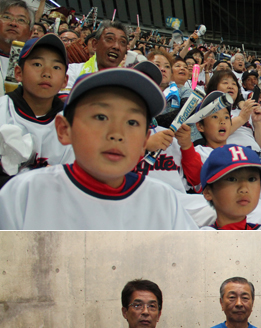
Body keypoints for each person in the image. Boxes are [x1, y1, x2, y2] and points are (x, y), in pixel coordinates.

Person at [0, 67, 197, 229]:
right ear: (64, 129)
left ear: (145, 140)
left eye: (132, 122)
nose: (116, 133)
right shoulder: (24, 193)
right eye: (101, 117)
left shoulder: (163, 201)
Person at [0, 34, 72, 187]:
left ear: (65, 80)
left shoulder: (71, 125)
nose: (47, 73)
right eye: (38, 64)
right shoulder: (2, 110)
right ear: (18, 72)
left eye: (56, 67)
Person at [64, 20, 128, 91]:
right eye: (110, 39)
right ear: (95, 44)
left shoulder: (129, 82)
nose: (116, 46)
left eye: (122, 42)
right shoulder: (72, 72)